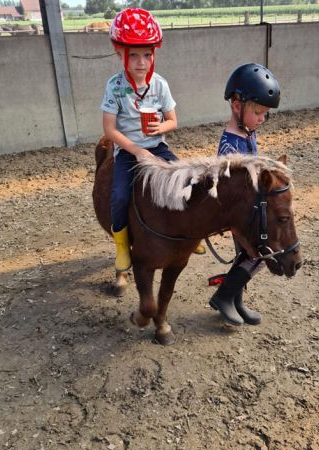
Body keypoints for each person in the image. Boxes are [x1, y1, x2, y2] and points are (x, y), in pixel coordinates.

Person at [101, 8, 178, 272]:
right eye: (132, 55)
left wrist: (160, 127)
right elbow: (109, 129)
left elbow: (173, 120)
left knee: (187, 181)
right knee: (119, 195)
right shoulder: (114, 86)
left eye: (147, 54)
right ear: (118, 52)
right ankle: (122, 245)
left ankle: (190, 234)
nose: (141, 62)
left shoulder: (160, 85)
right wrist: (135, 150)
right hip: (127, 150)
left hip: (157, 145)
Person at [209, 63, 281, 326]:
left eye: (265, 114)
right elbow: (230, 185)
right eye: (258, 112)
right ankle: (224, 297)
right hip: (238, 213)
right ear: (237, 106)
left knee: (248, 257)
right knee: (257, 255)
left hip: (250, 210)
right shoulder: (231, 144)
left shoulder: (248, 133)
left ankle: (236, 299)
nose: (262, 118)